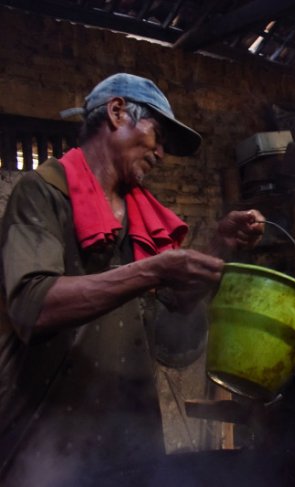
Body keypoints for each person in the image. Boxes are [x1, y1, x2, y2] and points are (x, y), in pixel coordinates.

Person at [0, 73, 265, 485]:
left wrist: (218, 246)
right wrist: (153, 271)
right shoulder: (41, 193)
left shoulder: (144, 221)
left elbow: (170, 342)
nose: (161, 153)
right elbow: (32, 305)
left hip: (128, 438)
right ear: (117, 112)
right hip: (48, 443)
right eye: (157, 135)